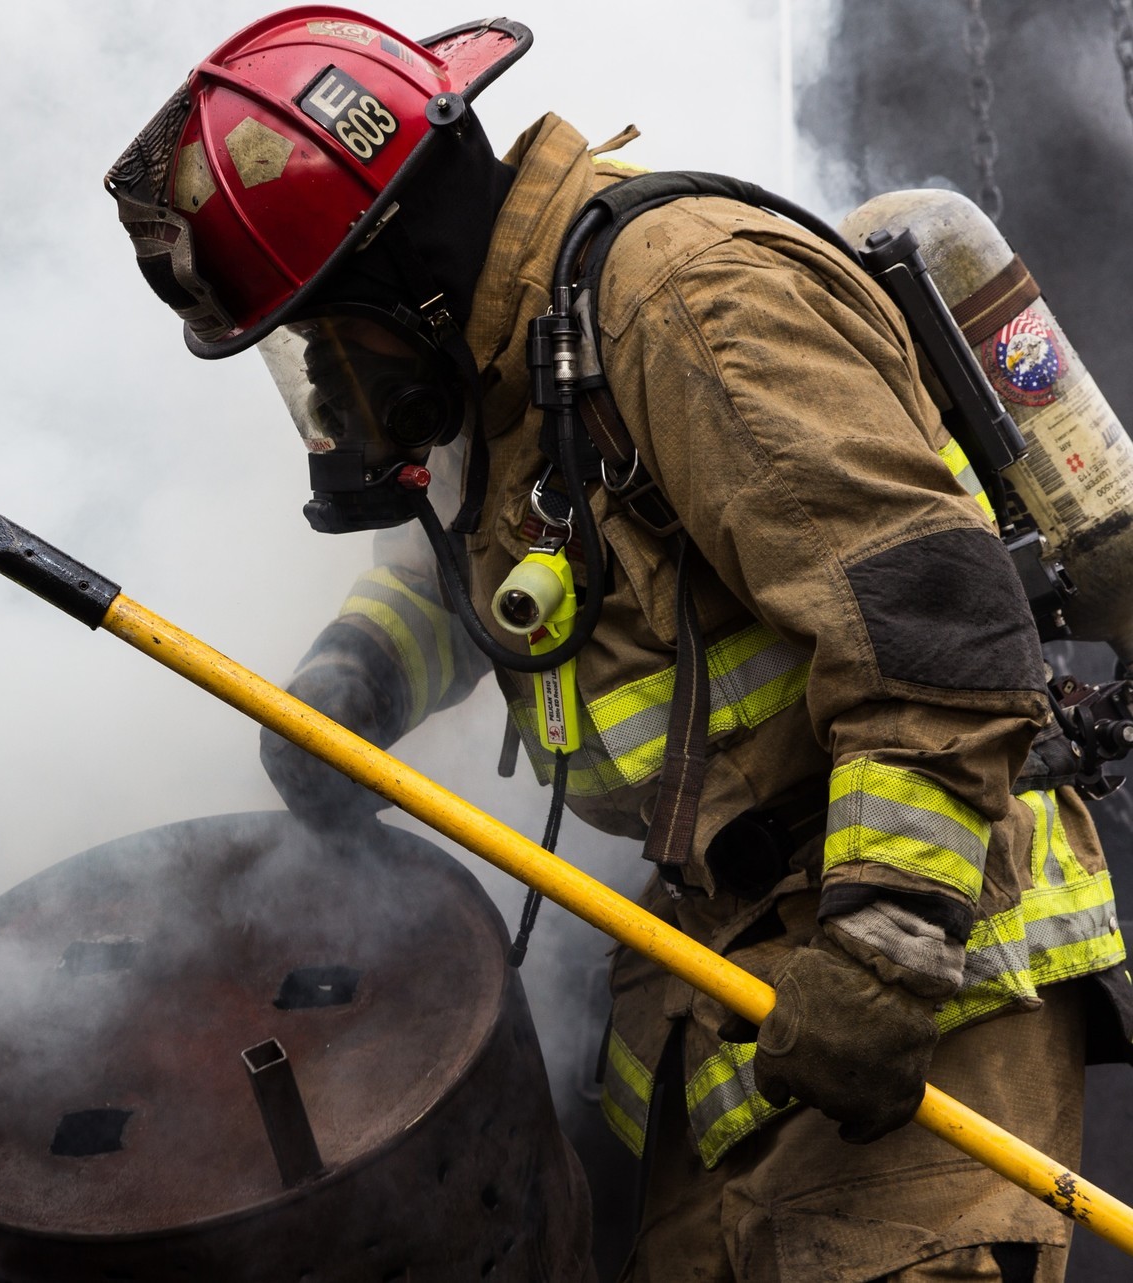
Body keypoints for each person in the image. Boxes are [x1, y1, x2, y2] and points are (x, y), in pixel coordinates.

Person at [105, 11, 1131, 1280]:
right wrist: (352, 683)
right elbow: (504, 575)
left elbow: (935, 630)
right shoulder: (525, 357)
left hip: (920, 946)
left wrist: (886, 944)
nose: (326, 374)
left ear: (400, 273)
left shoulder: (685, 303)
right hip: (732, 974)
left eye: (324, 329)